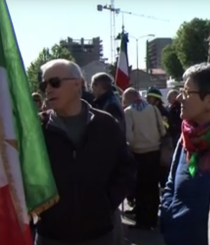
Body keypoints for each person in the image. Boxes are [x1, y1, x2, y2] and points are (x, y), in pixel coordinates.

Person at [35, 59, 136, 245]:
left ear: (77, 83)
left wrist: (106, 204)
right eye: (44, 84)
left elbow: (125, 168)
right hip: (50, 235)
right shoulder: (37, 128)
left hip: (99, 234)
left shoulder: (106, 124)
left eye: (54, 82)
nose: (48, 89)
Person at [160, 63, 210, 245]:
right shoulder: (185, 139)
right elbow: (170, 185)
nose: (179, 98)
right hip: (176, 237)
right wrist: (168, 216)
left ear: (209, 100)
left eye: (186, 92)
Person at [122, 87, 166, 230]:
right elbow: (163, 130)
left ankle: (142, 221)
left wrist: (132, 147)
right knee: (153, 187)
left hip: (139, 154)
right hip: (154, 152)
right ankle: (153, 219)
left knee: (140, 188)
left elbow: (129, 136)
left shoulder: (128, 112)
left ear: (128, 98)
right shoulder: (153, 109)